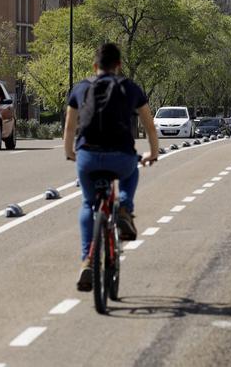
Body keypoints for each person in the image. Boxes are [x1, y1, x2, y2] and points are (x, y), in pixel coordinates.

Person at [63, 42, 160, 292]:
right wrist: (153, 153)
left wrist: (71, 153)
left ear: (95, 66)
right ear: (118, 66)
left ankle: (88, 260)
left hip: (88, 158)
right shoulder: (129, 87)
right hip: (121, 157)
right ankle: (125, 209)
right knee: (132, 171)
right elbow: (150, 126)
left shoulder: (81, 88)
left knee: (87, 203)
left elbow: (70, 128)